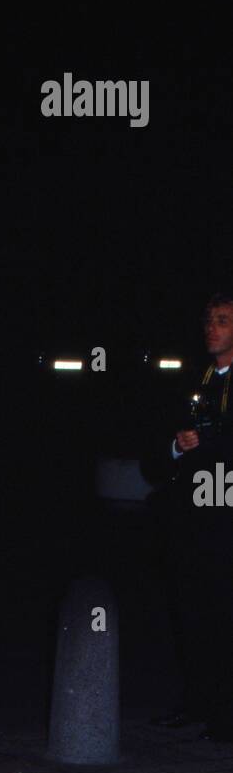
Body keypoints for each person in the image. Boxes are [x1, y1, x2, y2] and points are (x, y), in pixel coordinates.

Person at [150, 292, 233, 738]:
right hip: (193, 518)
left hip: (226, 512)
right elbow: (160, 439)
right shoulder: (192, 378)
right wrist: (175, 447)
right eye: (208, 320)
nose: (212, 328)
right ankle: (198, 701)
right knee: (192, 612)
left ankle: (224, 711)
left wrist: (211, 447)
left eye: (222, 320)